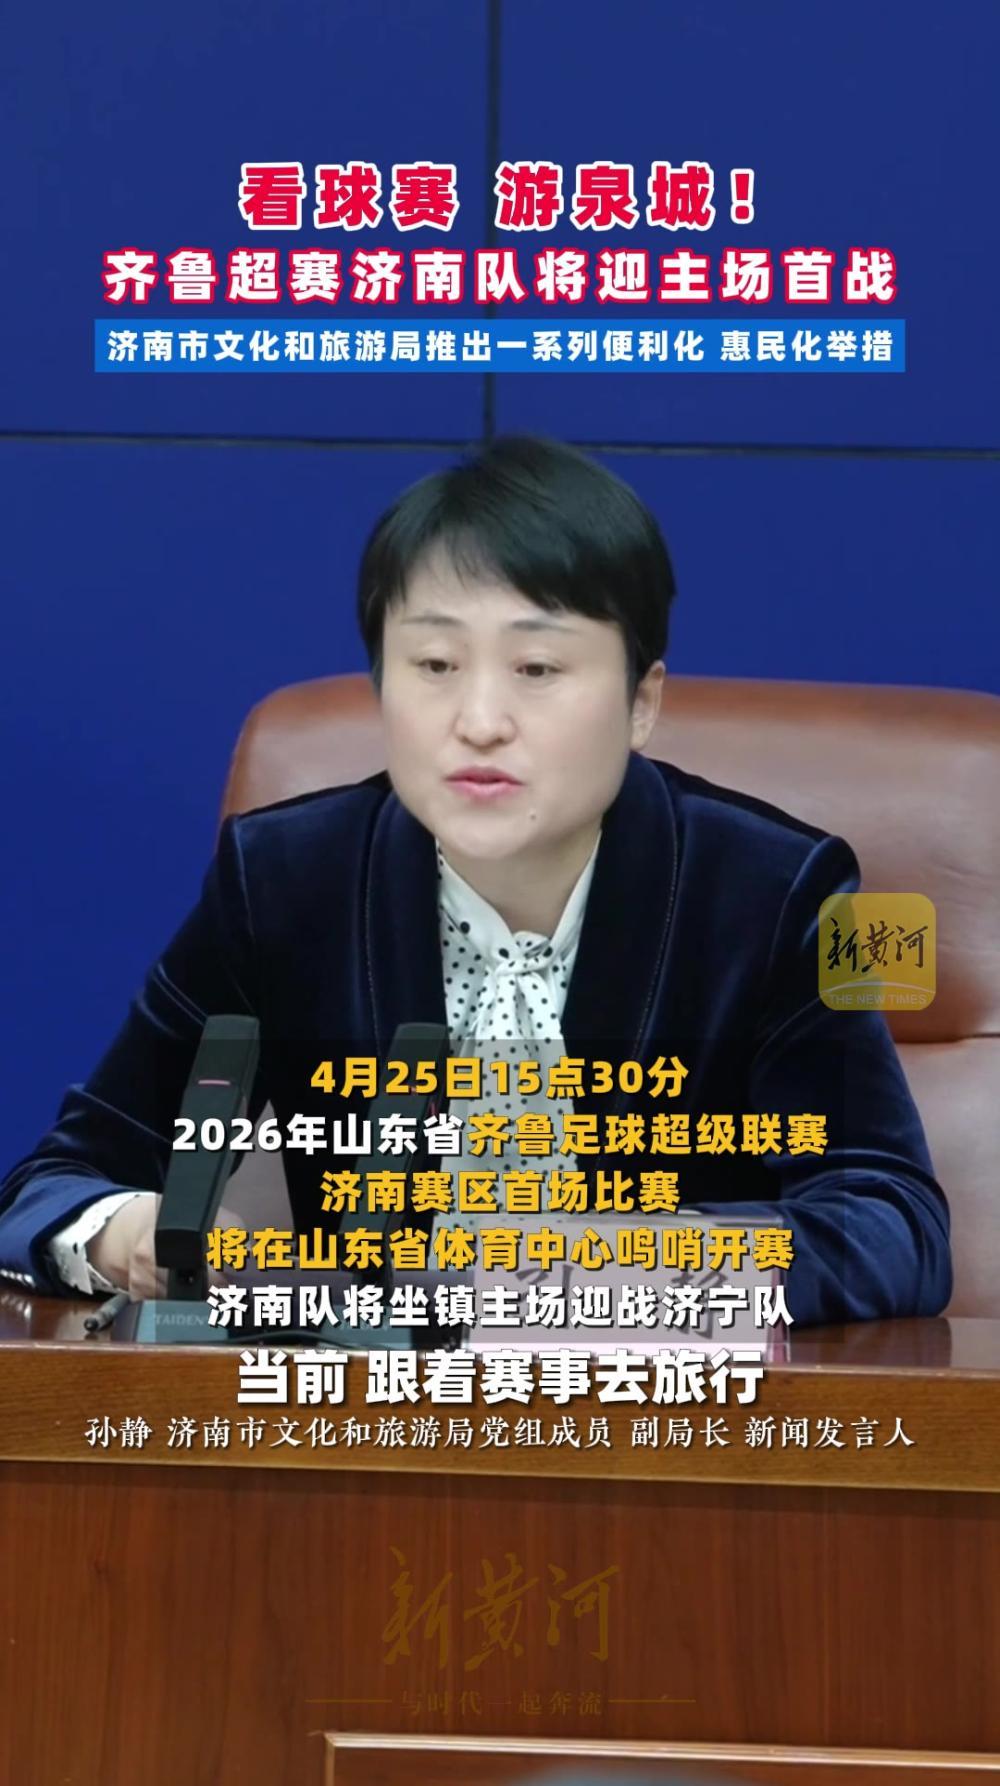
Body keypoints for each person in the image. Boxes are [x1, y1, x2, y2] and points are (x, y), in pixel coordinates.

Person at [0, 436, 951, 1322]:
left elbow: (893, 1223)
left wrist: (621, 1271)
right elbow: (53, 1183)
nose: (481, 720)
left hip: (671, 1416)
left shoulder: (790, 891)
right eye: (434, 663)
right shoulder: (283, 880)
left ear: (642, 701)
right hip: (373, 1419)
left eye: (536, 667)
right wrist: (127, 1235)